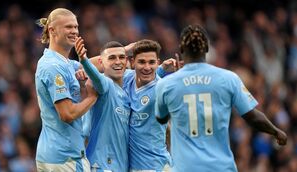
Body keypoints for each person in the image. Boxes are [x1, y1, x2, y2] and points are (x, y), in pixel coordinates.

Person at [154, 24, 287, 172]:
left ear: (182, 48)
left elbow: (161, 118)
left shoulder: (167, 84)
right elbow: (252, 116)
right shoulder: (229, 78)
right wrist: (276, 131)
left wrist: (179, 83)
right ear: (207, 49)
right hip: (221, 167)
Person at [35, 8, 97, 172]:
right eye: (68, 27)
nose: (74, 31)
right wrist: (92, 97)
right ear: (52, 30)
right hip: (65, 157)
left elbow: (93, 64)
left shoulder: (64, 63)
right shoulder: (54, 67)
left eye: (76, 27)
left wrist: (124, 51)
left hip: (54, 154)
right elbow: (67, 114)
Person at [75, 38, 131, 171]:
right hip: (101, 165)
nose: (118, 62)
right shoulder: (106, 83)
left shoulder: (126, 93)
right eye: (112, 58)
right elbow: (98, 79)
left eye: (121, 57)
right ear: (101, 62)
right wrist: (84, 61)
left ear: (127, 61)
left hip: (120, 166)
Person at [123, 39, 172, 172]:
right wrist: (123, 51)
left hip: (154, 166)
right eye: (142, 62)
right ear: (132, 62)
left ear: (158, 62)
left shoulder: (162, 88)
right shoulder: (127, 78)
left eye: (151, 62)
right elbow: (96, 64)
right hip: (132, 166)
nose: (147, 67)